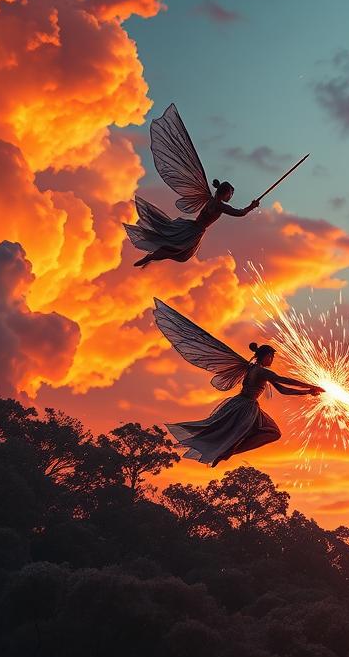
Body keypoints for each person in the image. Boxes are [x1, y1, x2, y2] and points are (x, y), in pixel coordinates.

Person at [153, 298, 323, 467]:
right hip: (246, 408)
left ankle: (228, 451)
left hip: (240, 404)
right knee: (271, 433)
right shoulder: (261, 371)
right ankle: (229, 451)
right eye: (271, 356)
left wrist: (307, 392)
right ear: (265, 356)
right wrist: (310, 385)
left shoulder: (252, 368)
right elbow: (284, 380)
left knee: (266, 432)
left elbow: (283, 389)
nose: (272, 360)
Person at [124, 103, 259, 267]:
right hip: (194, 230)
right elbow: (240, 213)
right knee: (181, 253)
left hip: (191, 226)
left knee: (179, 251)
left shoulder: (210, 199)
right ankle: (151, 257)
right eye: (230, 193)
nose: (231, 196)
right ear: (225, 194)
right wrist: (252, 206)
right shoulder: (220, 206)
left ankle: (152, 256)